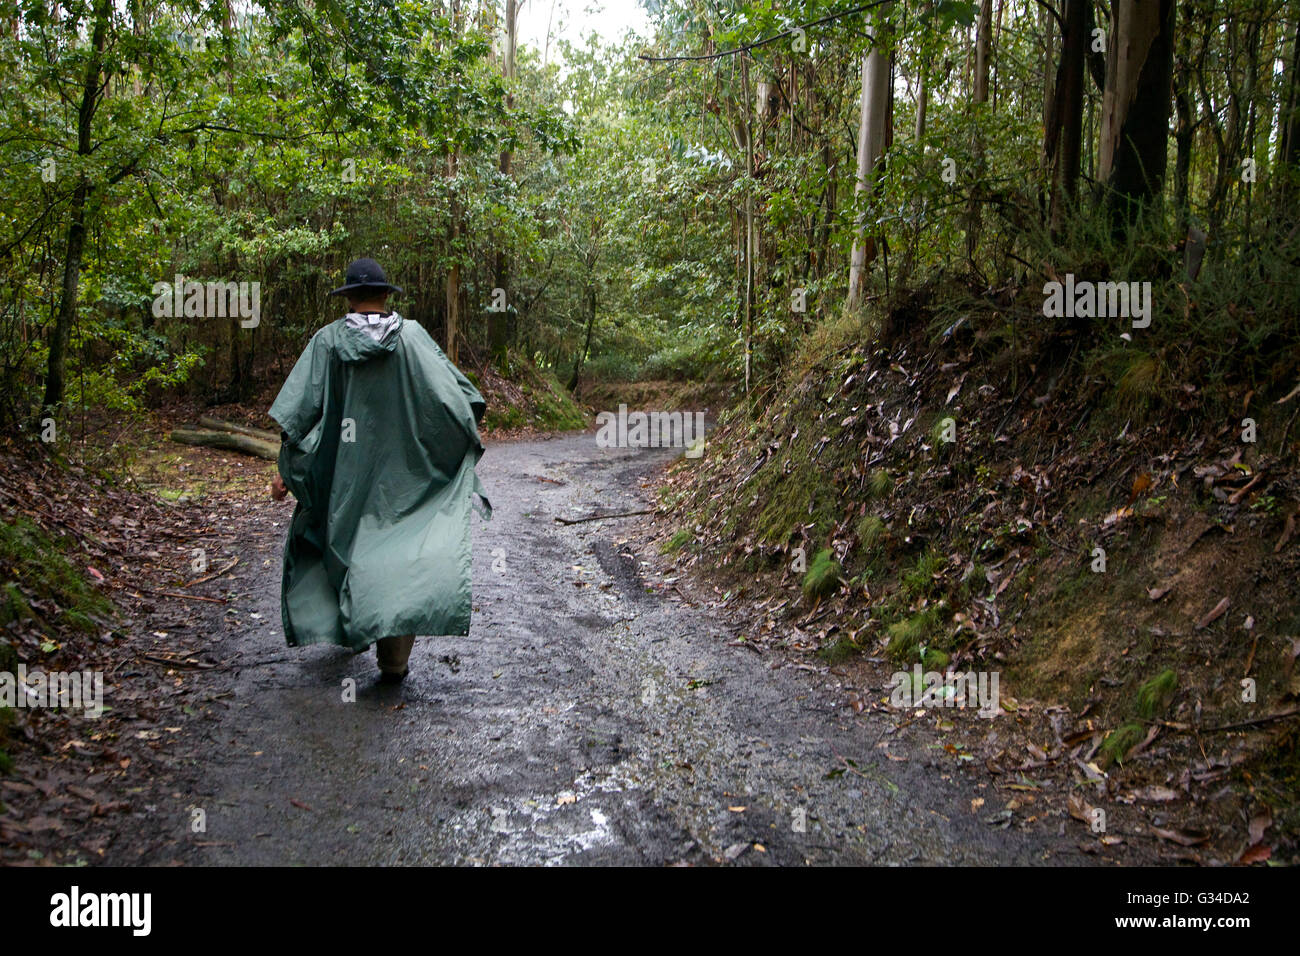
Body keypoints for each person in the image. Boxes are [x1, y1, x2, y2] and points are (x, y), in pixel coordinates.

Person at [268, 258, 490, 682]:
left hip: (344, 482)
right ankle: (394, 663)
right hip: (404, 479)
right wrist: (458, 442)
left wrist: (285, 470)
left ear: (348, 298)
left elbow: (298, 415)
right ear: (387, 296)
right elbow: (457, 400)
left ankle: (355, 627)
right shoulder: (415, 340)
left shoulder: (327, 343)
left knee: (345, 550)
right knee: (397, 559)